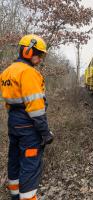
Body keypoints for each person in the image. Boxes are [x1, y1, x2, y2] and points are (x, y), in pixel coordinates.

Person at [0, 34, 54, 200]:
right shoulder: (29, 73)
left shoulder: (7, 72)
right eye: (39, 54)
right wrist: (45, 133)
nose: (40, 59)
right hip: (28, 125)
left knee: (14, 158)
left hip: (13, 122)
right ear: (28, 51)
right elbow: (36, 109)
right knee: (30, 164)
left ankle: (15, 194)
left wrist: (15, 120)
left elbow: (8, 103)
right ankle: (28, 198)